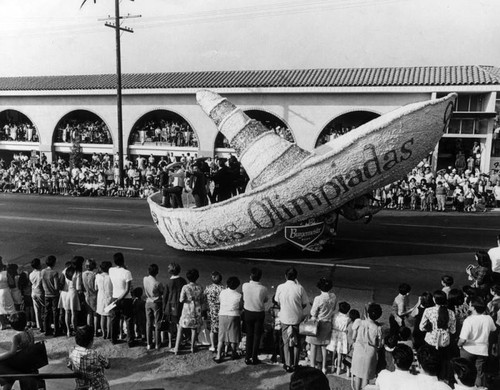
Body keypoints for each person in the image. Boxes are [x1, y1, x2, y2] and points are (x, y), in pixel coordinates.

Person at [275, 267, 309, 373]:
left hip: (284, 318)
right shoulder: (300, 288)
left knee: (286, 342)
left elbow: (277, 301)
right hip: (297, 318)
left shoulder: (280, 287)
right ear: (296, 277)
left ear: (285, 276)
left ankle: (288, 364)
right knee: (297, 342)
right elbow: (304, 303)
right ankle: (295, 364)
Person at [457, 297, 496, 388]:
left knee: (465, 370)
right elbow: (493, 329)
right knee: (479, 372)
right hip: (482, 350)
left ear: (473, 307)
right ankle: (479, 388)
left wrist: (458, 345)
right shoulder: (488, 318)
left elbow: (462, 339)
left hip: (468, 349)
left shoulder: (469, 320)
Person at [419, 290, 456, 381]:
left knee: (430, 361)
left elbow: (421, 327)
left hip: (431, 340)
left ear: (435, 300)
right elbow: (453, 330)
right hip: (444, 342)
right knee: (443, 362)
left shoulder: (428, 310)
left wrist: (430, 328)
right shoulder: (451, 312)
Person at [306, 277, 336, 374]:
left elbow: (313, 312)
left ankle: (313, 366)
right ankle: (324, 367)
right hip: (328, 323)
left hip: (318, 324)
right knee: (324, 347)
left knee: (313, 346)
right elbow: (334, 308)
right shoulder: (333, 296)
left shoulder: (318, 298)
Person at [0, 312, 37, 390]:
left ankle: (7, 387)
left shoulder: (17, 337)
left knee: (3, 366)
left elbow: (12, 352)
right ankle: (7, 386)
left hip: (21, 363)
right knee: (8, 371)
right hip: (28, 359)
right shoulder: (30, 331)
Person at [351, 303, 383, 390]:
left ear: (368, 313)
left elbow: (353, 337)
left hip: (358, 351)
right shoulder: (377, 328)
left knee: (357, 375)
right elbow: (379, 344)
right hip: (370, 353)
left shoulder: (359, 322)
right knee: (366, 376)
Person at [68, 325, 110, 390]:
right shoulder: (95, 354)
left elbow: (70, 366)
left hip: (81, 386)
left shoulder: (72, 352)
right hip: (97, 387)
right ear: (91, 342)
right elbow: (107, 365)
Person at [242, 267, 268, 365]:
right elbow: (265, 300)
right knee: (257, 335)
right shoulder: (263, 288)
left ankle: (247, 357)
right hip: (259, 312)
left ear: (251, 276)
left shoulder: (245, 285)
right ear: (260, 277)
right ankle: (254, 357)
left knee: (249, 335)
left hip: (248, 312)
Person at [174, 268, 203, 354]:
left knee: (181, 328)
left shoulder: (185, 287)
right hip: (197, 310)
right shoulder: (200, 287)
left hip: (187, 310)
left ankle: (176, 348)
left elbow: (181, 300)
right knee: (194, 329)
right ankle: (192, 347)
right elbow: (202, 300)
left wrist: (189, 300)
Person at [214, 276, 242, 363]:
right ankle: (234, 353)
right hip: (234, 315)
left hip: (222, 314)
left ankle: (218, 355)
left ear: (227, 284)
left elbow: (220, 301)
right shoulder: (239, 295)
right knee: (234, 335)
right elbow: (240, 307)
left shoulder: (222, 292)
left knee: (221, 336)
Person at [109, 252, 135, 347]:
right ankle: (130, 340)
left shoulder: (111, 270)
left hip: (115, 297)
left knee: (114, 319)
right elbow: (127, 289)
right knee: (128, 319)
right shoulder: (127, 273)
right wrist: (121, 298)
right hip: (125, 298)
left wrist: (117, 299)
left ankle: (113, 338)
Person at [163, 262, 187, 349]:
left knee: (170, 325)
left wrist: (164, 308)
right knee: (179, 325)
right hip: (180, 306)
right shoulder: (183, 281)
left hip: (170, 306)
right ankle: (179, 341)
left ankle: (170, 343)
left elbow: (165, 297)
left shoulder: (168, 282)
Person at [143, 264, 164, 350]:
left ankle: (149, 343)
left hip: (148, 302)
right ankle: (157, 343)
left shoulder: (145, 279)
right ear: (157, 272)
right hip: (156, 303)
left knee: (148, 323)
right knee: (157, 322)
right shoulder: (157, 283)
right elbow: (162, 292)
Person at [61, 257, 83, 337]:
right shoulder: (78, 273)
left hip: (65, 293)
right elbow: (78, 287)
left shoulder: (65, 270)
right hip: (73, 293)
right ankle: (74, 330)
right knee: (74, 313)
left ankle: (68, 331)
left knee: (67, 312)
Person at [327, 301, 351, 375]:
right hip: (342, 334)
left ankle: (332, 367)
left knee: (333, 351)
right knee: (340, 353)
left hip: (334, 333)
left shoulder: (335, 315)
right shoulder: (348, 318)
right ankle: (339, 368)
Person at [41, 255, 61, 337]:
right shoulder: (54, 272)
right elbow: (56, 287)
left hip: (46, 294)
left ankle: (47, 330)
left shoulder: (43, 271)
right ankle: (56, 331)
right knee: (55, 313)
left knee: (46, 312)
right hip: (54, 295)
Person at [203, 271, 224, 353]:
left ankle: (212, 345)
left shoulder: (208, 288)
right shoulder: (223, 289)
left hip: (211, 310)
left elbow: (203, 297)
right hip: (221, 310)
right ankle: (220, 344)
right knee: (221, 329)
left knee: (212, 328)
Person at [95, 261, 113, 340]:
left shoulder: (98, 276)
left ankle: (104, 333)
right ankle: (109, 333)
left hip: (100, 297)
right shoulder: (111, 277)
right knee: (109, 316)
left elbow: (95, 288)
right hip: (109, 297)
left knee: (102, 316)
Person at [82, 259, 99, 335]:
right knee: (95, 314)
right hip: (94, 295)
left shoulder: (83, 274)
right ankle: (95, 331)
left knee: (89, 313)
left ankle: (89, 330)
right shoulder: (94, 275)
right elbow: (96, 287)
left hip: (86, 294)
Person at [29, 258, 44, 332]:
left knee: (37, 310)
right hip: (40, 291)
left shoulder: (31, 274)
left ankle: (39, 326)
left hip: (33, 291)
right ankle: (45, 325)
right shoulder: (40, 273)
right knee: (44, 309)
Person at [0, 257, 15, 329]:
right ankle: (13, 322)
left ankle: (3, 324)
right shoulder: (5, 273)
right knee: (11, 308)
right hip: (6, 290)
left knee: (0, 309)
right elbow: (12, 282)